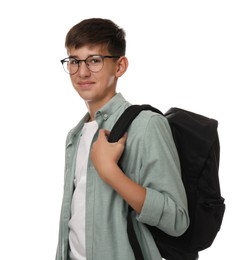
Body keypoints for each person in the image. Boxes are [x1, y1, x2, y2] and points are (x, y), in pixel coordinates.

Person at [55, 18, 189, 260]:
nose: (82, 72)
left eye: (94, 60)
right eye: (74, 61)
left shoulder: (146, 125)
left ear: (119, 67)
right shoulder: (75, 135)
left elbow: (177, 219)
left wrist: (111, 173)